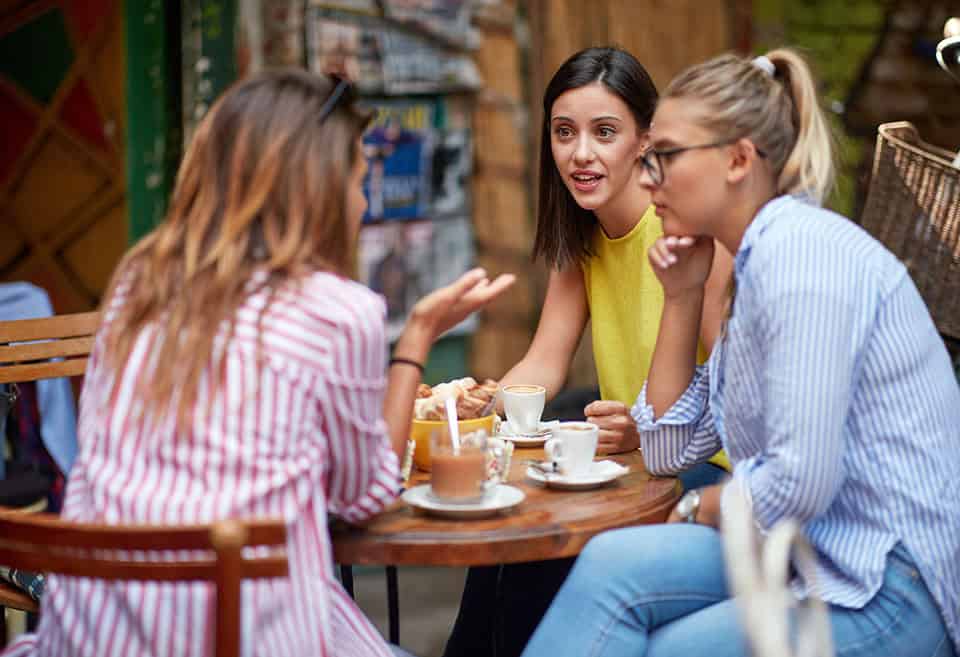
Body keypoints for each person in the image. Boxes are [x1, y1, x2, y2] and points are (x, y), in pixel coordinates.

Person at [2, 70, 514, 657]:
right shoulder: (339, 312)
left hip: (93, 632)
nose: (363, 200)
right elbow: (364, 496)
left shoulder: (138, 281)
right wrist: (415, 338)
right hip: (237, 631)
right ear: (316, 190)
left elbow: (100, 457)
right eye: (356, 178)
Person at [520, 48, 960, 657]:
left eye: (665, 157)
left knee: (666, 648)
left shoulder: (800, 260)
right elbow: (669, 445)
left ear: (738, 159)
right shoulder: (754, 264)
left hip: (883, 580)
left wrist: (695, 506)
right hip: (800, 545)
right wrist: (682, 296)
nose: (649, 178)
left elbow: (797, 482)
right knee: (607, 566)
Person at [443, 47, 733, 657]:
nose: (581, 154)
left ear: (645, 140)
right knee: (504, 528)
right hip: (629, 466)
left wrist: (651, 429)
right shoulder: (584, 235)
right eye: (564, 132)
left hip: (708, 470)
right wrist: (480, 403)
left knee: (545, 556)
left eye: (605, 133)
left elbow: (743, 392)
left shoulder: (687, 231)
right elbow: (544, 363)